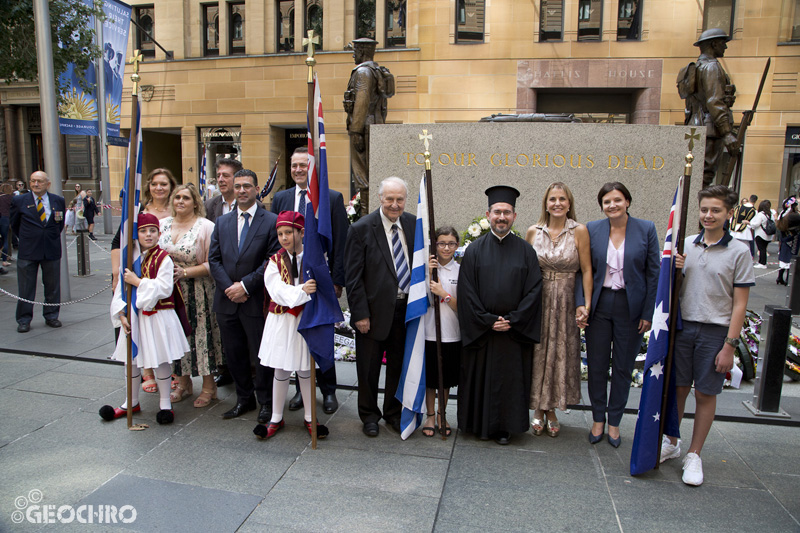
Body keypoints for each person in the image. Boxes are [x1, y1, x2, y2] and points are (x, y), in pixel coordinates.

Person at [661, 186, 754, 486]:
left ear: (728, 213)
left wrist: (730, 345)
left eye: (715, 210)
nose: (708, 215)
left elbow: (740, 303)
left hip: (715, 331)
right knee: (678, 388)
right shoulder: (687, 244)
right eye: (704, 210)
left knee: (705, 392)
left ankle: (694, 453)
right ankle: (672, 441)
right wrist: (676, 268)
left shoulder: (739, 252)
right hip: (684, 327)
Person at [457, 185, 543, 445]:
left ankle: (505, 427)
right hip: (483, 332)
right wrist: (487, 320)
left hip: (512, 333)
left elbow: (534, 290)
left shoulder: (526, 251)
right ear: (488, 214)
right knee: (480, 379)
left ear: (514, 216)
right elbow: (467, 291)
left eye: (507, 212)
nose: (502, 217)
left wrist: (513, 320)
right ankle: (475, 424)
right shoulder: (474, 251)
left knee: (508, 382)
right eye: (497, 212)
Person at [270, 146, 349, 415]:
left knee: (321, 333)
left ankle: (328, 391)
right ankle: (300, 392)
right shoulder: (281, 198)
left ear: (312, 167)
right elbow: (277, 240)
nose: (298, 170)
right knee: (295, 337)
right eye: (294, 165)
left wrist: (336, 280)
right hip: (291, 279)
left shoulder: (331, 198)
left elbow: (340, 242)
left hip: (320, 281)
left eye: (304, 165)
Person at [579, 182, 659, 448]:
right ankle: (598, 419)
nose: (612, 205)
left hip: (630, 308)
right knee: (598, 366)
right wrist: (583, 304)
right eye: (606, 202)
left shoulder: (646, 228)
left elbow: (653, 272)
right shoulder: (592, 229)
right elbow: (584, 270)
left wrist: (648, 312)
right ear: (601, 206)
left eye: (617, 200)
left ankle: (615, 423)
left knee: (623, 368)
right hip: (600, 306)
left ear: (627, 201)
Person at [100, 213, 190, 425]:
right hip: (133, 317)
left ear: (159, 234)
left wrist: (137, 281)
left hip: (157, 316)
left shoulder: (164, 258)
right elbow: (121, 290)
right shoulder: (129, 258)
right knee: (131, 360)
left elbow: (164, 288)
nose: (148, 235)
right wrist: (121, 313)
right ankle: (130, 401)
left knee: (160, 359)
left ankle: (165, 403)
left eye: (152, 231)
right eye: (143, 231)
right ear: (136, 234)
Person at [344, 176, 415, 437]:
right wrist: (360, 313)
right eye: (390, 199)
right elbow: (353, 277)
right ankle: (369, 415)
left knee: (398, 365)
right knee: (369, 368)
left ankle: (393, 413)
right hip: (372, 314)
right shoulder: (361, 229)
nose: (395, 205)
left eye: (400, 199)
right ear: (380, 199)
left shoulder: (412, 223)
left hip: (405, 310)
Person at [208, 169, 280, 423]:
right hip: (226, 301)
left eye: (246, 186)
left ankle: (266, 403)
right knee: (234, 353)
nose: (241, 190)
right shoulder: (222, 222)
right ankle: (244, 399)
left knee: (261, 355)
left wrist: (245, 286)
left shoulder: (271, 221)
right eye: (237, 186)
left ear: (256, 188)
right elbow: (213, 259)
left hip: (256, 300)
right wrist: (230, 287)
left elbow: (272, 260)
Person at [253, 211, 329, 439]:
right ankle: (276, 416)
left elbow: (324, 286)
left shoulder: (315, 258)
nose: (284, 238)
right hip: (282, 321)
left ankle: (309, 416)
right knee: (281, 368)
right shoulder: (274, 261)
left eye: (289, 232)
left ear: (301, 232)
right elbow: (275, 290)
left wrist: (312, 291)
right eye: (280, 234)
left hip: (306, 320)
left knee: (305, 368)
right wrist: (301, 291)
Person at [525, 182, 592, 438]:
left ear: (569, 203)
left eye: (562, 199)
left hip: (565, 299)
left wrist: (586, 303)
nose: (557, 203)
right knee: (539, 351)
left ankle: (551, 408)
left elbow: (586, 270)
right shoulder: (533, 231)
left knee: (559, 352)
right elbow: (525, 269)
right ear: (545, 202)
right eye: (552, 199)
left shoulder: (579, 231)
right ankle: (538, 408)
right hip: (538, 299)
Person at [158, 184, 223, 408]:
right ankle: (183, 383)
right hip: (171, 293)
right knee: (177, 336)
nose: (180, 201)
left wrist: (184, 272)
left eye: (185, 198)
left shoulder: (206, 227)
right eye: (177, 197)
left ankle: (208, 386)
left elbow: (213, 262)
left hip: (199, 290)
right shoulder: (163, 224)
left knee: (201, 337)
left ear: (195, 202)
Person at [204, 158, 243, 388]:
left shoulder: (250, 204)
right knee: (222, 329)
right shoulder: (211, 206)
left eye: (226, 175)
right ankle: (225, 368)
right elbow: (211, 248)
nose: (221, 179)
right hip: (218, 280)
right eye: (219, 175)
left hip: (245, 282)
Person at [682, 28, 739, 187]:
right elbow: (714, 101)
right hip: (709, 128)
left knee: (699, 175)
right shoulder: (711, 67)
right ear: (713, 44)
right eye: (722, 43)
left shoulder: (699, 66)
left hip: (699, 126)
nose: (725, 47)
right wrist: (726, 132)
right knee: (704, 176)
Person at [11, 171, 66, 333]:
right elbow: (14, 225)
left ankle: (51, 316)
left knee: (52, 286)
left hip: (51, 250)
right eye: (33, 181)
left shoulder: (58, 200)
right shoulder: (19, 201)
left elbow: (59, 223)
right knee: (26, 288)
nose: (36, 184)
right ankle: (24, 319)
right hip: (28, 251)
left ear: (47, 184)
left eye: (40, 181)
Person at [343, 38, 392, 212]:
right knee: (369, 174)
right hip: (373, 125)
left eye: (355, 51)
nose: (353, 55)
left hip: (364, 127)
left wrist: (356, 131)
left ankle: (366, 212)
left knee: (362, 174)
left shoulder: (363, 72)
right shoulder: (376, 70)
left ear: (362, 51)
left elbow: (361, 102)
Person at [421, 226, 461, 438]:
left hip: (451, 333)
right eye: (442, 243)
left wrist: (444, 294)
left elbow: (462, 307)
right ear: (434, 245)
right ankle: (429, 414)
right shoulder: (427, 269)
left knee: (444, 379)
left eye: (451, 243)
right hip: (428, 331)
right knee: (430, 378)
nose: (446, 248)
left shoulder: (460, 270)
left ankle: (441, 414)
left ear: (457, 245)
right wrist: (428, 274)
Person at [205, 158, 243, 223]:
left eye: (225, 176)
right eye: (218, 176)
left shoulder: (250, 204)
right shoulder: (208, 206)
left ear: (237, 178)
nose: (220, 180)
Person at [776, 197, 800, 285]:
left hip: (784, 239)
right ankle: (787, 279)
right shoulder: (794, 216)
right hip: (793, 239)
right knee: (791, 257)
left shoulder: (783, 214)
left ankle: (779, 277)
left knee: (783, 257)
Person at [750, 199, 773, 269]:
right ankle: (762, 262)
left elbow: (756, 224)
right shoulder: (770, 214)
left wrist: (750, 223)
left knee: (761, 249)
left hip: (760, 234)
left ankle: (762, 263)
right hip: (768, 234)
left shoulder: (760, 214)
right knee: (764, 249)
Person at [0, 182, 13, 270]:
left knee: (3, 238)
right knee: (7, 238)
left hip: (1, 218)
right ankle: (5, 258)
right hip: (9, 218)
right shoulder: (12, 198)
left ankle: (5, 257)